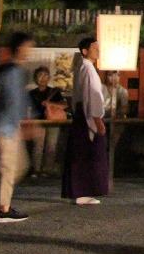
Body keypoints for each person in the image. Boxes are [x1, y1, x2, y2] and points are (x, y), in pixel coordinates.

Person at [62, 37, 109, 206]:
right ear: (85, 51)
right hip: (88, 115)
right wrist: (97, 120)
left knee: (81, 154)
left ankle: (81, 191)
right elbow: (93, 95)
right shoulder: (87, 68)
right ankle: (83, 192)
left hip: (81, 114)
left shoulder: (82, 67)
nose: (98, 51)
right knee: (89, 155)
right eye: (95, 48)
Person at [0, 32, 35, 224]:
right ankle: (4, 209)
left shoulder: (16, 70)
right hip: (7, 125)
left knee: (20, 166)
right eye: (28, 46)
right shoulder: (12, 72)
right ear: (20, 48)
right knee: (10, 167)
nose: (30, 51)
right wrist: (23, 123)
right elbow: (13, 100)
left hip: (11, 125)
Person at [28, 67, 65, 178]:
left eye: (45, 75)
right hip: (38, 121)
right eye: (40, 75)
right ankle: (36, 169)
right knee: (38, 146)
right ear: (35, 78)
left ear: (49, 78)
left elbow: (64, 106)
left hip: (53, 122)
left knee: (51, 146)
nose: (43, 78)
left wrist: (50, 105)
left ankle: (47, 170)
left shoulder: (54, 92)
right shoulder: (31, 93)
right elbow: (28, 108)